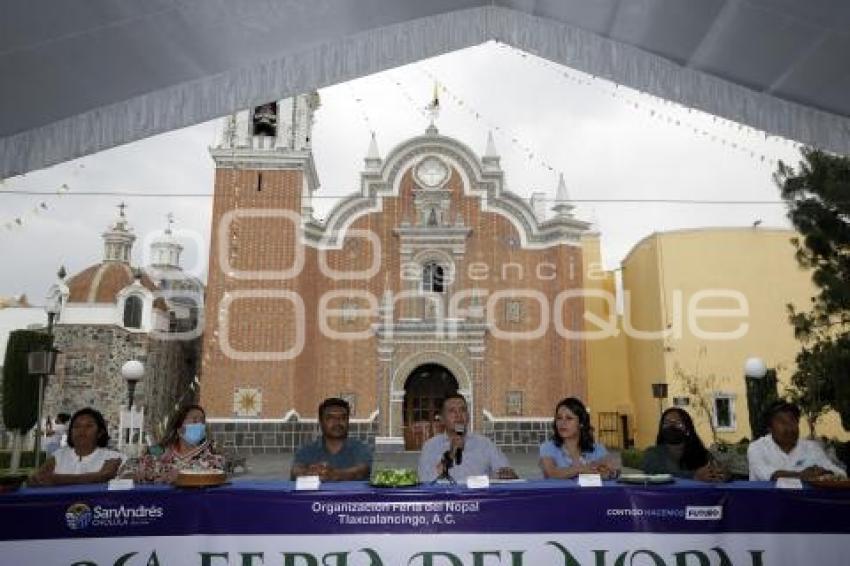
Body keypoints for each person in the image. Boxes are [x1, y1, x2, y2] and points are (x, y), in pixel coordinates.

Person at [418, 393, 517, 482]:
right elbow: (425, 480)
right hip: (446, 499)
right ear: (442, 419)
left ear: (468, 416)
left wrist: (506, 474)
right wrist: (450, 456)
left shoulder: (485, 444)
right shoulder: (430, 446)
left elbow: (505, 471)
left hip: (479, 498)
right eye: (452, 411)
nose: (458, 415)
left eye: (463, 410)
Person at [120, 404, 225, 483]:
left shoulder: (212, 455)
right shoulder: (158, 451)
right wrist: (135, 475)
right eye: (194, 420)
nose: (200, 425)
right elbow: (126, 472)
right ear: (179, 430)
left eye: (202, 421)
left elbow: (216, 478)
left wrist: (183, 478)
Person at [748, 400, 846, 481]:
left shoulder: (811, 447)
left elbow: (837, 472)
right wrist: (802, 475)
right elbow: (767, 475)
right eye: (782, 422)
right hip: (767, 502)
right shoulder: (757, 448)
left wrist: (826, 472)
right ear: (769, 428)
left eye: (793, 421)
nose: (790, 428)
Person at [28, 407, 123, 486]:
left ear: (100, 432)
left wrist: (55, 479)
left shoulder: (113, 456)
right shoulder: (59, 455)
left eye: (89, 426)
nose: (81, 430)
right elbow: (39, 478)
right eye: (76, 426)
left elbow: (103, 476)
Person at [290, 397, 372, 481]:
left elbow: (361, 472)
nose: (337, 422)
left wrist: (334, 474)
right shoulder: (307, 450)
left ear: (348, 421)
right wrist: (312, 473)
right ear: (321, 422)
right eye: (331, 418)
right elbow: (295, 472)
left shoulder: (361, 449)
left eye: (343, 418)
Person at [540, 397, 619, 480]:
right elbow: (552, 473)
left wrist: (608, 471)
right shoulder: (548, 447)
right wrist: (581, 469)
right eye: (559, 418)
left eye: (569, 418)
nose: (562, 423)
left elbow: (613, 469)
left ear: (581, 423)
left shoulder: (597, 449)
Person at [642, 407, 729, 481]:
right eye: (666, 423)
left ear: (688, 430)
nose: (671, 426)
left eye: (677, 423)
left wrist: (723, 475)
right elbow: (655, 475)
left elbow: (716, 470)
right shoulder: (652, 453)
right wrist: (694, 476)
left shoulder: (701, 454)